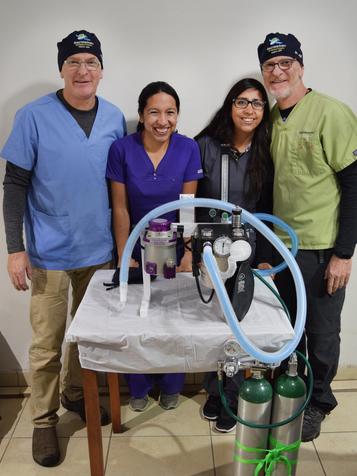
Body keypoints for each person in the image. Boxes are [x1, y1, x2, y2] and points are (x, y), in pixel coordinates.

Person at [1, 30, 126, 466]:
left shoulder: (114, 117)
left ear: (102, 70)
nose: (82, 70)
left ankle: (77, 394)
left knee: (89, 335)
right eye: (73, 61)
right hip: (49, 251)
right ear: (61, 69)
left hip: (98, 249)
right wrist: (15, 249)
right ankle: (43, 422)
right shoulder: (33, 116)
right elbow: (14, 184)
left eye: (91, 62)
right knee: (47, 342)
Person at [257, 32, 357, 441]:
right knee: (288, 329)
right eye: (269, 65)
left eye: (285, 63)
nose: (277, 71)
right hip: (283, 247)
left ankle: (319, 402)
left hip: (320, 249)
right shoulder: (270, 117)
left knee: (321, 330)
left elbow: (353, 184)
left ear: (300, 65)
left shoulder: (330, 113)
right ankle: (292, 393)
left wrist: (344, 254)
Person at [106, 81, 203, 412]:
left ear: (177, 116)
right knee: (137, 318)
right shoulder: (122, 149)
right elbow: (120, 208)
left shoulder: (188, 148)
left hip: (175, 246)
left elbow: (189, 206)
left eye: (170, 112)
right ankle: (138, 386)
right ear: (141, 115)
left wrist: (189, 251)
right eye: (154, 112)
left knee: (172, 315)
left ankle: (171, 383)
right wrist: (123, 255)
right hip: (135, 246)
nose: (163, 120)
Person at [195, 78, 274, 432]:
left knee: (238, 321)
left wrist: (265, 256)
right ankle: (214, 390)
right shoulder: (205, 146)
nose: (249, 110)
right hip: (209, 248)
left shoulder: (268, 149)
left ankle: (233, 390)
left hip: (248, 249)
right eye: (242, 102)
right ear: (230, 105)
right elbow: (191, 200)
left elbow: (273, 207)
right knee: (213, 317)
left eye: (257, 104)